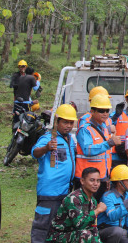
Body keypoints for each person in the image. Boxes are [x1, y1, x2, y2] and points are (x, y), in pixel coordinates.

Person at [31, 104, 78, 243]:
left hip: (65, 192)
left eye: (71, 122)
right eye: (65, 122)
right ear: (57, 122)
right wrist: (46, 148)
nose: (68, 126)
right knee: (42, 228)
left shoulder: (70, 140)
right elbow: (34, 152)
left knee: (59, 228)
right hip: (49, 193)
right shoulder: (48, 138)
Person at [76, 94, 122, 201]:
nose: (105, 113)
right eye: (101, 111)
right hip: (87, 179)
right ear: (92, 112)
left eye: (107, 110)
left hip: (101, 177)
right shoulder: (85, 129)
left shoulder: (104, 128)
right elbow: (87, 150)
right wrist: (109, 143)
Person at [47, 167, 107, 242]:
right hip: (59, 236)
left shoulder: (93, 201)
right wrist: (97, 210)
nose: (96, 184)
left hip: (76, 235)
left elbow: (93, 228)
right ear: (82, 181)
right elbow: (79, 224)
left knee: (92, 233)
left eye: (98, 181)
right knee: (85, 234)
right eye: (92, 180)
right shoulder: (74, 198)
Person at [98, 165, 128, 242]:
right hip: (105, 230)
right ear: (120, 183)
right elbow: (112, 216)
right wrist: (126, 204)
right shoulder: (107, 197)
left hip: (120, 230)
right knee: (117, 231)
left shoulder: (127, 195)